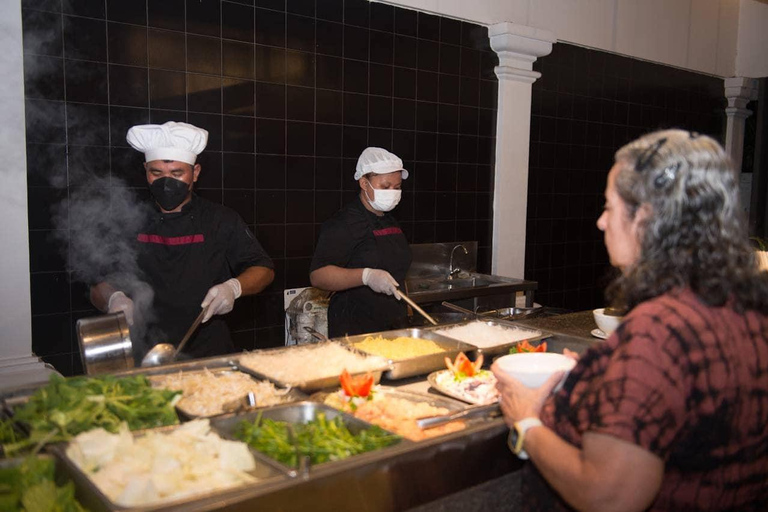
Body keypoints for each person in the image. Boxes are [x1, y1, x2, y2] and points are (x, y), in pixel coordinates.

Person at [492, 129, 768, 511]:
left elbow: (609, 497)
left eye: (609, 206)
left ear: (646, 216)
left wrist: (526, 421)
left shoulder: (659, 330)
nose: (601, 223)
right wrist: (600, 373)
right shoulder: (745, 306)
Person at [90, 121, 274, 359]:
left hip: (208, 350)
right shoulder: (126, 219)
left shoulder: (220, 219)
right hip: (143, 352)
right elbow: (97, 284)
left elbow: (264, 269)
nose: (167, 182)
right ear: (145, 170)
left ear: (195, 172)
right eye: (157, 173)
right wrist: (113, 299)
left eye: (177, 173)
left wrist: (233, 288)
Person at [310, 147, 412, 337]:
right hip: (355, 330)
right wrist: (366, 276)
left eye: (397, 187)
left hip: (393, 326)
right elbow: (318, 276)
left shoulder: (390, 220)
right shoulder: (343, 223)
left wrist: (407, 308)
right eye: (385, 186)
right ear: (364, 183)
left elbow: (398, 269)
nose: (393, 192)